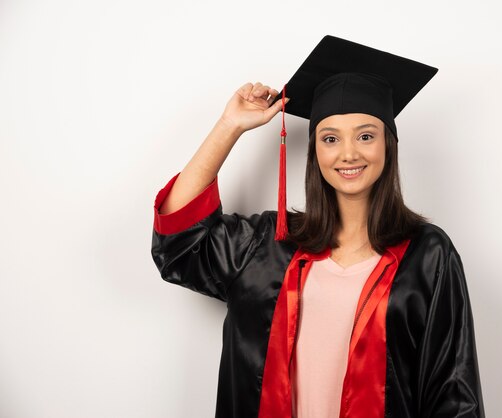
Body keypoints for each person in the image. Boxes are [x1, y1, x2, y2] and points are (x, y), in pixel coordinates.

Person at [151, 35, 484, 418]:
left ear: (387, 146)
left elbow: (453, 391)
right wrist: (230, 125)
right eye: (330, 139)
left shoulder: (428, 254)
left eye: (365, 136)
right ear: (316, 153)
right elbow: (178, 241)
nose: (348, 153)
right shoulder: (267, 245)